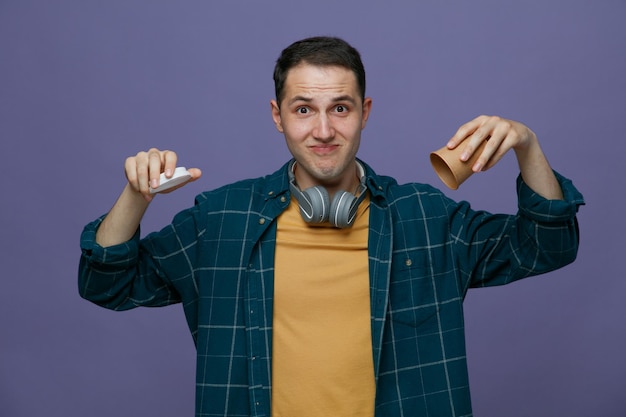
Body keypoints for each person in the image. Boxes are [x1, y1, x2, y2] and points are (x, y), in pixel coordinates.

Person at [79, 36, 584, 417]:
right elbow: (107, 284)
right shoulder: (222, 219)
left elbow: (547, 245)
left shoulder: (425, 218)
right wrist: (136, 196)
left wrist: (528, 146)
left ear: (364, 112)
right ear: (278, 116)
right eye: (304, 110)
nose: (323, 131)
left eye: (339, 108)